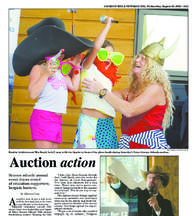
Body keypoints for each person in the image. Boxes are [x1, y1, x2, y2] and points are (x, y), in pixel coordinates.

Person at [82, 37, 179, 149]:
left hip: (149, 146)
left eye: (143, 59)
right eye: (138, 57)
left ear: (152, 66)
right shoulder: (129, 92)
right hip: (128, 146)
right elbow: (101, 98)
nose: (137, 60)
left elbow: (129, 110)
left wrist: (102, 90)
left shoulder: (155, 89)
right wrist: (92, 68)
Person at [12, 17, 94, 149]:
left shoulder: (60, 70)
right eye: (60, 52)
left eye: (63, 52)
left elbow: (74, 86)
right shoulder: (38, 68)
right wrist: (46, 74)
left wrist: (77, 66)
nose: (63, 55)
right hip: (43, 116)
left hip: (57, 119)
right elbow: (33, 94)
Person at [73, 16, 124, 149]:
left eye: (111, 55)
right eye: (104, 53)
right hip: (90, 122)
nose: (108, 57)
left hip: (107, 123)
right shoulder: (88, 67)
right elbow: (95, 47)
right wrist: (108, 25)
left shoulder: (108, 78)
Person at [105, 165, 175, 216]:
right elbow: (124, 192)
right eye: (149, 177)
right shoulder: (137, 194)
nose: (152, 180)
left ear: (161, 182)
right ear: (146, 179)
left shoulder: (166, 204)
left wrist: (158, 209)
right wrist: (116, 183)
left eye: (156, 178)